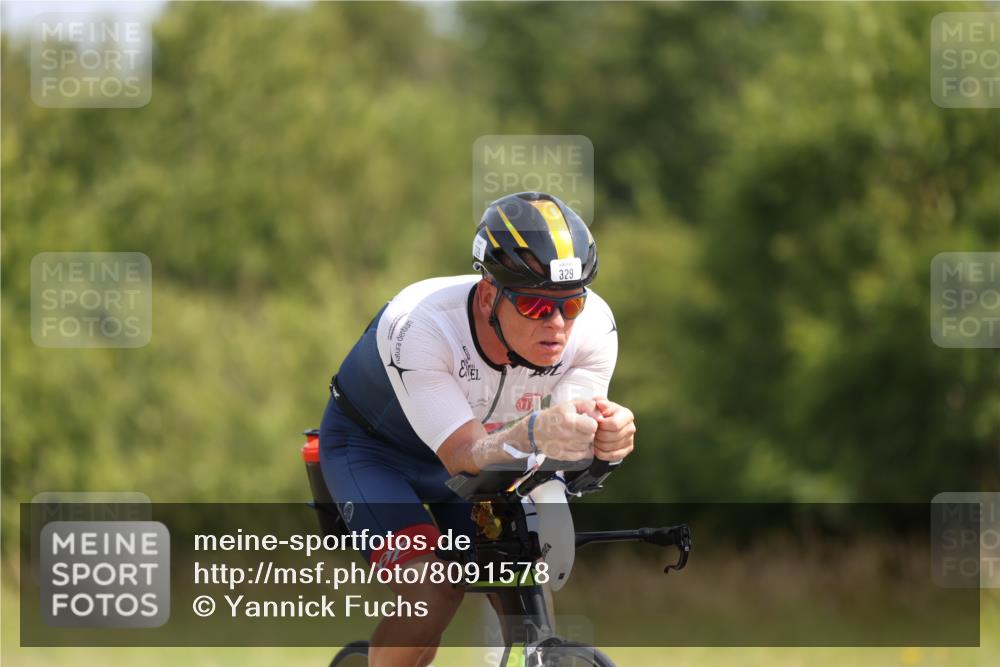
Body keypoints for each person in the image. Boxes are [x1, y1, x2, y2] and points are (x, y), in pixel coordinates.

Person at [319, 191, 636, 667]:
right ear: (489, 295)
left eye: (570, 304)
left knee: (523, 578)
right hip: (376, 454)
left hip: (490, 454)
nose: (557, 324)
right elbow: (463, 454)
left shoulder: (594, 328)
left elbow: (564, 449)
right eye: (535, 306)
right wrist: (536, 430)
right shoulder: (421, 325)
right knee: (432, 592)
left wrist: (606, 443)